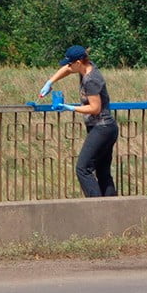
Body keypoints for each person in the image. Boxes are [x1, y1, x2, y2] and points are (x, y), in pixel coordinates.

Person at [39, 45, 119, 197]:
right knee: (103, 172)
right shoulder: (86, 67)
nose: (68, 66)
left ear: (78, 62)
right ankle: (111, 209)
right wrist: (50, 82)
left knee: (83, 169)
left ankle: (96, 207)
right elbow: (67, 70)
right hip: (105, 128)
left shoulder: (91, 80)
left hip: (102, 128)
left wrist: (70, 108)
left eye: (70, 63)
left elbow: (95, 108)